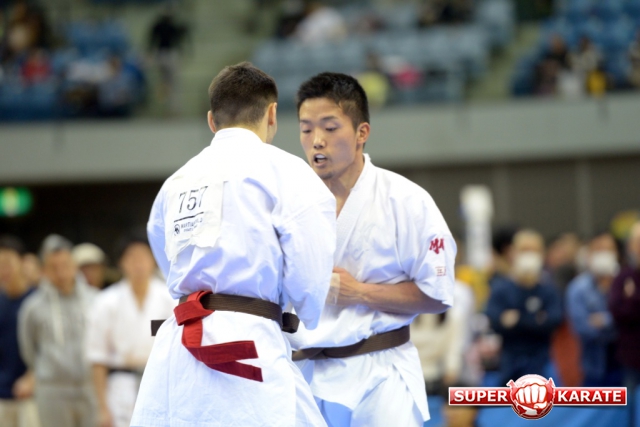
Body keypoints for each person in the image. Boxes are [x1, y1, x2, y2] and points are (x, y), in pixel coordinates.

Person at [130, 62, 336, 427]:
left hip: (178, 349)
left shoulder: (176, 182)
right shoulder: (286, 172)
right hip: (249, 337)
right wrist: (307, 310)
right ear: (272, 115)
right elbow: (309, 279)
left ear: (212, 121)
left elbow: (165, 256)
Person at [288, 72, 456, 427]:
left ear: (362, 132)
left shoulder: (406, 201)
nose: (317, 141)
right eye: (306, 129)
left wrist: (360, 293)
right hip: (304, 374)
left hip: (381, 372)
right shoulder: (287, 204)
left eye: (330, 128)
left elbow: (437, 294)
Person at [86, 236, 175, 427]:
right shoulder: (105, 302)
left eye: (143, 257)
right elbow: (97, 357)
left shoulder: (169, 298)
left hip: (160, 381)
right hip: (120, 384)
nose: (138, 264)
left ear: (153, 260)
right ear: (121, 263)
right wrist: (102, 407)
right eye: (132, 257)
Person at [18, 234, 98, 427]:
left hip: (89, 386)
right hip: (52, 390)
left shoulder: (95, 299)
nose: (61, 273)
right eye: (54, 267)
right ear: (44, 270)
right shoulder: (32, 307)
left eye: (65, 265)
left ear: (74, 265)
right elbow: (28, 348)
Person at [485, 229, 563, 386]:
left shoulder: (549, 290)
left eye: (533, 251)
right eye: (524, 251)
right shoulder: (501, 289)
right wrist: (536, 319)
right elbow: (494, 320)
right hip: (509, 362)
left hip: (542, 361)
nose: (529, 256)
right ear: (513, 253)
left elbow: (554, 321)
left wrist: (517, 319)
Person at [566, 232, 621, 386]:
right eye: (599, 249)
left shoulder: (626, 284)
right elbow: (582, 327)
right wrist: (617, 323)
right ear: (589, 254)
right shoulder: (578, 288)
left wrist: (604, 321)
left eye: (608, 249)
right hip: (593, 367)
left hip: (626, 366)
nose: (604, 254)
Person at [0, 236, 39, 427]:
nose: (3, 270)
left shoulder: (37, 301)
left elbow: (48, 347)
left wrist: (33, 377)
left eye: (7, 263)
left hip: (32, 395)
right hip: (2, 395)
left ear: (23, 262)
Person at [411, 280, 475, 393]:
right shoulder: (408, 313)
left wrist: (451, 370)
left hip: (437, 377)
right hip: (410, 374)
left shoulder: (453, 317)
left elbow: (454, 348)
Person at [609, 221, 640, 421]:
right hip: (631, 356)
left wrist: (633, 298)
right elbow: (617, 311)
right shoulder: (623, 277)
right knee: (629, 407)